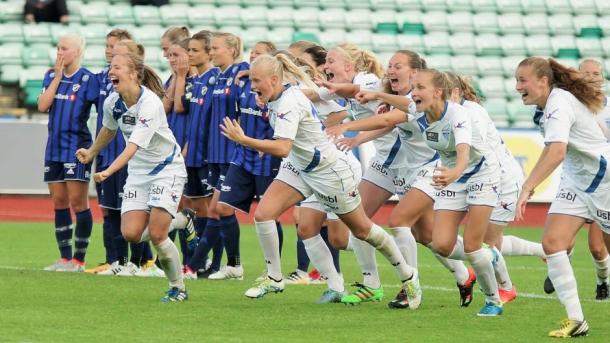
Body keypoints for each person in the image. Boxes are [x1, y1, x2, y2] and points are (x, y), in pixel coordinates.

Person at [220, 53, 422, 308]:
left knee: (361, 230)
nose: (253, 87)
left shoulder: (288, 103)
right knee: (264, 214)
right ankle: (274, 277)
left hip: (328, 172)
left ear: (273, 79)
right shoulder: (281, 95)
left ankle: (407, 274)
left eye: (256, 81)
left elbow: (282, 148)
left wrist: (245, 140)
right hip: (300, 166)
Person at [76, 51, 188, 302]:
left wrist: (108, 170)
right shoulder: (112, 102)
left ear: (134, 74)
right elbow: (109, 129)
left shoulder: (150, 103)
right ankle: (181, 220)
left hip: (165, 169)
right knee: (131, 234)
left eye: (116, 67)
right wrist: (92, 152)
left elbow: (133, 146)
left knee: (158, 236)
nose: (110, 71)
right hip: (139, 173)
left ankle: (178, 287)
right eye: (110, 67)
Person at [515, 57, 610, 337]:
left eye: (522, 80)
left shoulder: (559, 102)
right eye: (516, 80)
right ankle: (577, 320)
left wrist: (528, 187)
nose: (517, 86)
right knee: (553, 242)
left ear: (543, 81)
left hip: (602, 181)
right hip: (576, 178)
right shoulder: (549, 105)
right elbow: (553, 150)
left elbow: (557, 151)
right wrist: (529, 183)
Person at [209, 41, 281, 281]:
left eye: (258, 54)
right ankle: (234, 266)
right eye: (252, 53)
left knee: (268, 214)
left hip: (265, 157)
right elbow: (241, 113)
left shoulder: (278, 93)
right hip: (242, 155)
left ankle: (273, 270)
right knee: (222, 207)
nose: (252, 57)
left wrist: (267, 141)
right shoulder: (244, 85)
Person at [191, 32, 253, 278]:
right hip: (215, 154)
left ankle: (197, 265)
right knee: (216, 209)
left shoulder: (243, 73)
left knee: (219, 208)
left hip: (233, 154)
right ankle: (221, 265)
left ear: (232, 49)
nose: (212, 51)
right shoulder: (219, 77)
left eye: (216, 48)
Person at [39, 34, 99, 273]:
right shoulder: (51, 76)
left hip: (76, 149)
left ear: (77, 52)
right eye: (58, 48)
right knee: (59, 202)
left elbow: (102, 109)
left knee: (78, 202)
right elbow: (43, 106)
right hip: (53, 148)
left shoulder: (88, 79)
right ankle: (64, 259)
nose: (60, 52)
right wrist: (57, 78)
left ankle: (79, 260)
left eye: (64, 48)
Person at [85, 29, 133, 275]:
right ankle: (112, 259)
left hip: (126, 154)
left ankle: (138, 261)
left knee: (129, 208)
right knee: (107, 208)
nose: (108, 50)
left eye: (113, 47)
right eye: (107, 46)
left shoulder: (135, 86)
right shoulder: (102, 79)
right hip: (105, 153)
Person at [180, 30, 221, 279]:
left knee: (210, 208)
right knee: (196, 207)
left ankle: (216, 263)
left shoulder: (216, 79)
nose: (190, 54)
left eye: (195, 50)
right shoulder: (195, 81)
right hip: (192, 152)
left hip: (208, 154)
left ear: (208, 52)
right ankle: (204, 260)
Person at [579, 58, 610, 300]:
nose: (592, 77)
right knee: (592, 247)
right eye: (586, 73)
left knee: (598, 245)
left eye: (596, 73)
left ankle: (603, 282)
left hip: (606, 181)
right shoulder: (572, 106)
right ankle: (555, 264)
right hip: (580, 180)